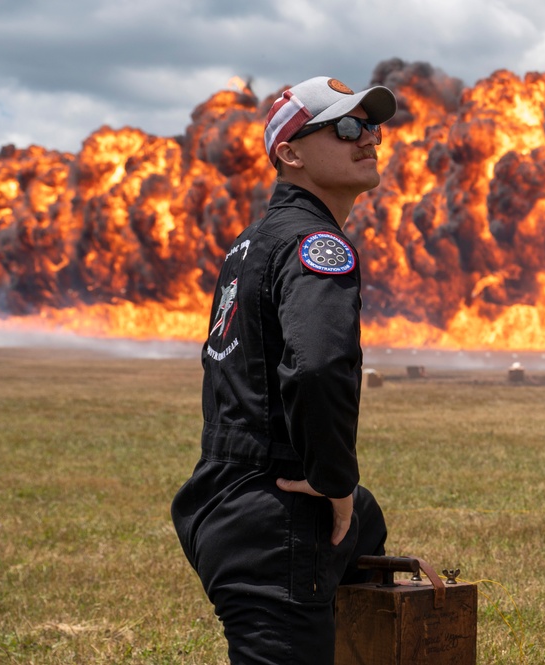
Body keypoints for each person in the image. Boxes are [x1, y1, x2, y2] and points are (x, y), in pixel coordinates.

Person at [171, 75, 398, 665]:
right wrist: (332, 480)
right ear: (289, 154)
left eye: (371, 126)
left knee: (366, 524)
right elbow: (318, 367)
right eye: (346, 127)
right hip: (274, 516)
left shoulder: (248, 246)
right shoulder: (314, 244)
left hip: (221, 495)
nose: (368, 138)